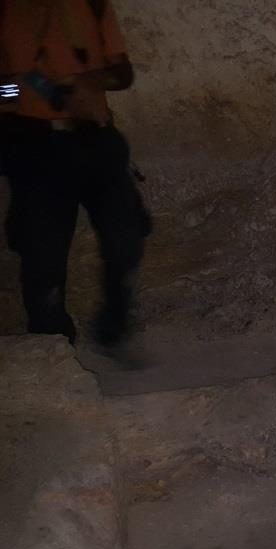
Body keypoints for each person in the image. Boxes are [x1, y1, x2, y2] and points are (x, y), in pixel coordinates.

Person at [0, 0, 150, 348]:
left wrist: (86, 82)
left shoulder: (92, 5)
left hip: (94, 137)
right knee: (43, 255)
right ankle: (53, 346)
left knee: (125, 237)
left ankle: (113, 328)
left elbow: (123, 73)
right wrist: (32, 91)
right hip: (36, 144)